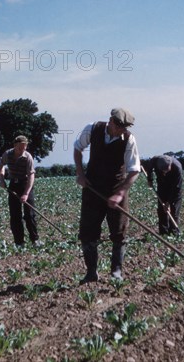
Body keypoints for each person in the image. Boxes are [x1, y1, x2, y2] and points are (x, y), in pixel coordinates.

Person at [74, 108, 140, 283]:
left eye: (124, 128)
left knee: (119, 232)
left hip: (116, 188)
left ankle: (116, 272)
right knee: (88, 232)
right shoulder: (92, 128)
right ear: (111, 121)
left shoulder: (129, 140)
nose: (121, 131)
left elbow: (134, 171)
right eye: (119, 127)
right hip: (92, 188)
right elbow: (77, 149)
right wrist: (80, 174)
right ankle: (91, 272)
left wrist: (119, 194)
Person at [0, 135, 39, 248]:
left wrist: (26, 193)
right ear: (15, 145)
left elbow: (31, 175)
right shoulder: (8, 154)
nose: (23, 149)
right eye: (20, 147)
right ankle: (19, 242)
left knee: (29, 214)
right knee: (15, 215)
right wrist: (1, 179)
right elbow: (1, 165)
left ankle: (35, 240)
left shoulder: (27, 157)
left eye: (25, 147)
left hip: (25, 184)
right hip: (13, 185)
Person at [143, 155, 183, 236]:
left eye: (166, 171)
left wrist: (168, 203)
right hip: (162, 184)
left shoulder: (177, 168)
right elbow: (149, 169)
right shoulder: (154, 160)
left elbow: (176, 188)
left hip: (174, 187)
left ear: (170, 165)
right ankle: (163, 232)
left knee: (174, 209)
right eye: (163, 171)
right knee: (161, 209)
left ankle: (174, 231)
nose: (165, 173)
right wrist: (150, 179)